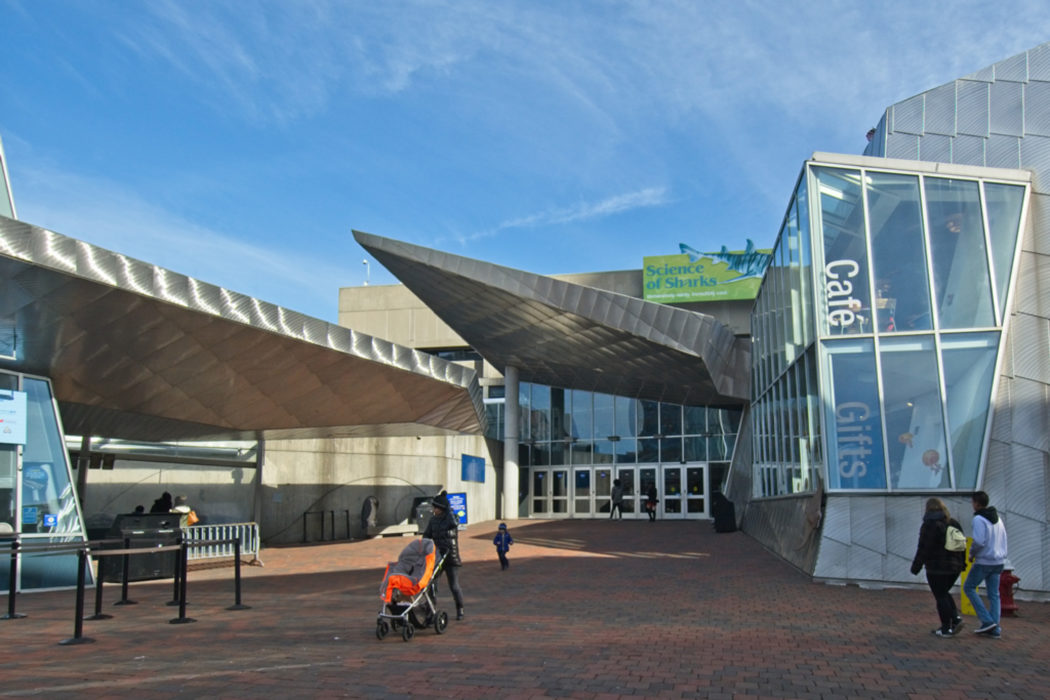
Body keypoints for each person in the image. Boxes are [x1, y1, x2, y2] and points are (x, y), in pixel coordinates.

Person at [909, 498, 966, 637]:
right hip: (954, 567)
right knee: (944, 593)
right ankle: (955, 619)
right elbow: (962, 545)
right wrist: (962, 564)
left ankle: (947, 627)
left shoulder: (929, 525)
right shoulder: (953, 523)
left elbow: (923, 548)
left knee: (940, 596)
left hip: (936, 567)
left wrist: (916, 567)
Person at [963, 490, 1009, 639]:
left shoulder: (979, 519)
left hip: (984, 560)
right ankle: (994, 627)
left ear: (976, 503)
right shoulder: (998, 519)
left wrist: (971, 554)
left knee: (969, 587)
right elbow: (1003, 538)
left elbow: (979, 541)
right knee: (994, 594)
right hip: (998, 561)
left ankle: (987, 621)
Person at [423, 491, 464, 620]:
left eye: (435, 507)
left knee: (454, 585)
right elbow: (426, 535)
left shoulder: (451, 518)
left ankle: (460, 608)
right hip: (438, 556)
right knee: (432, 583)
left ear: (442, 508)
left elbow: (454, 523)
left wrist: (449, 509)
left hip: (451, 557)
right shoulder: (433, 520)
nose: (433, 510)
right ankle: (431, 608)